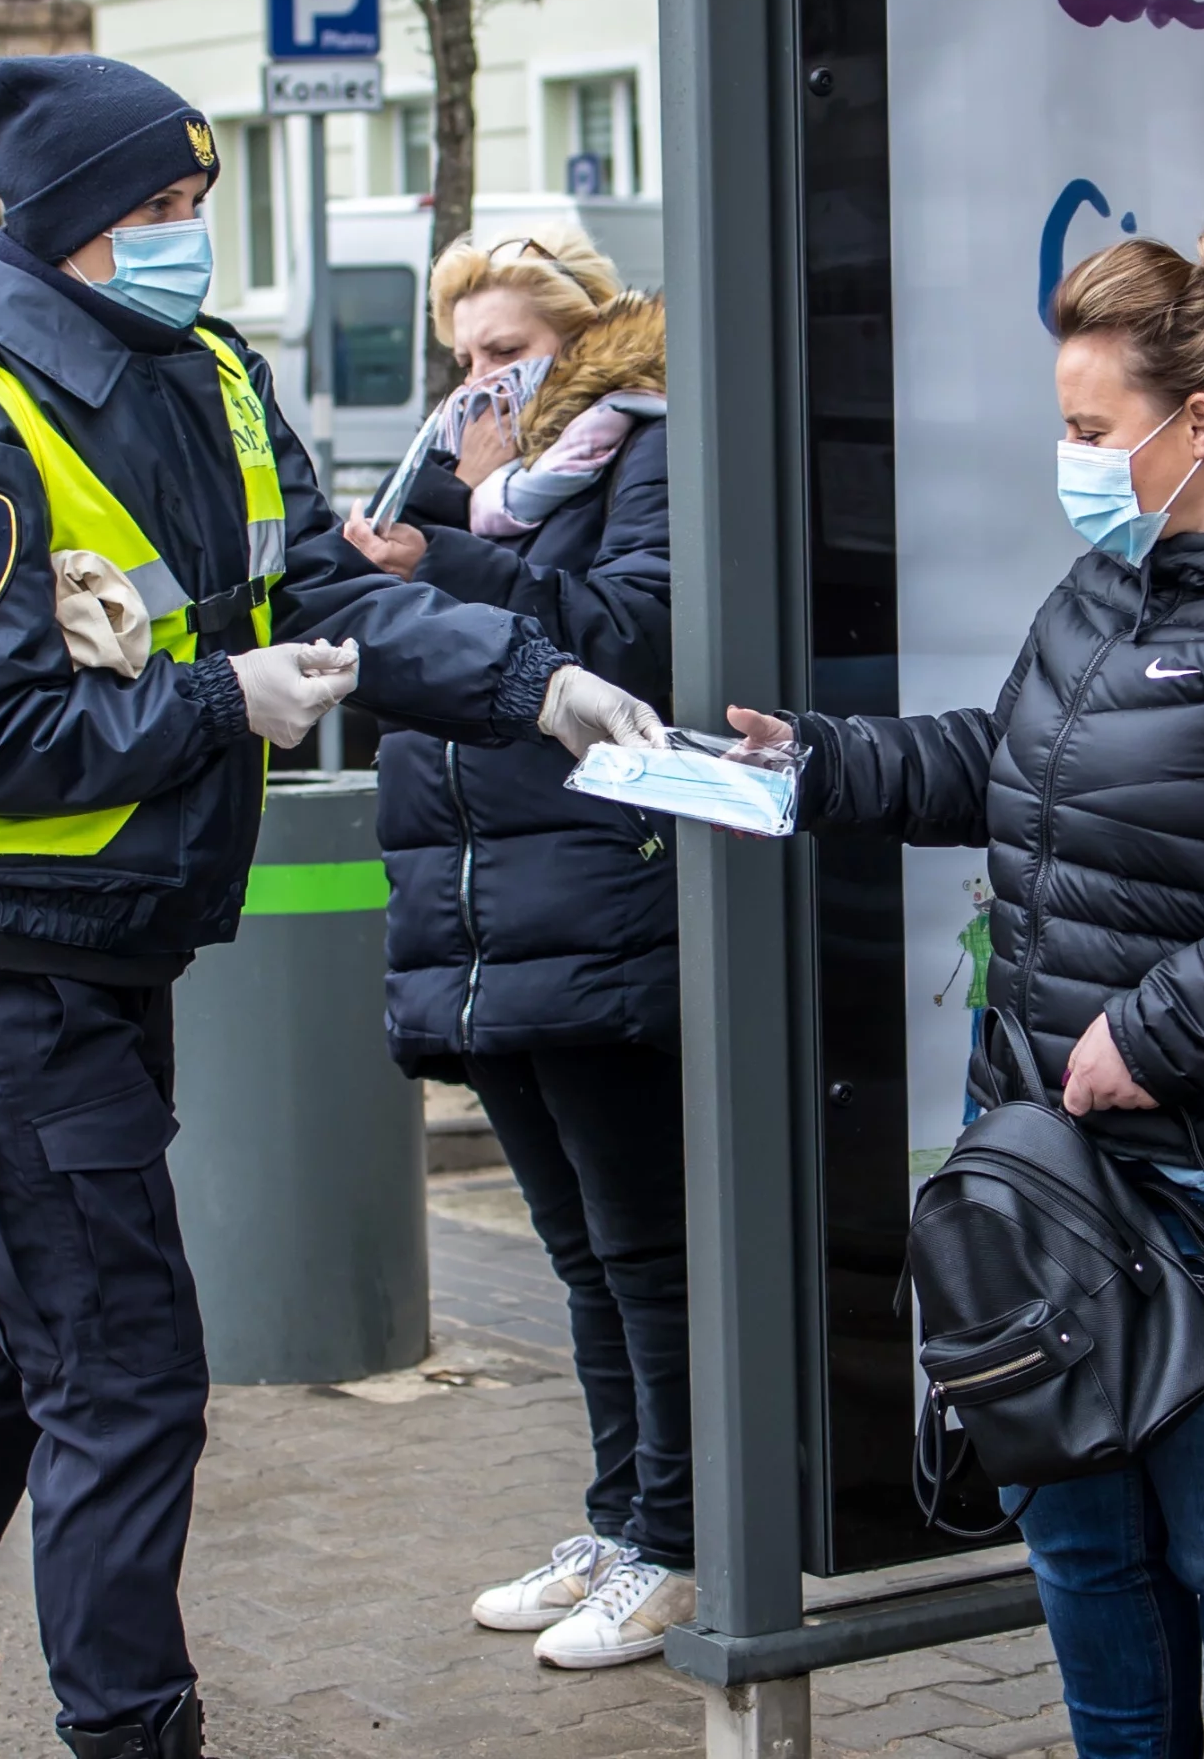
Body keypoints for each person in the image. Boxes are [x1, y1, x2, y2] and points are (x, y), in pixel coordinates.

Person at [0, 55, 662, 1759]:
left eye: (196, 209)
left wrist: (533, 680)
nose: (187, 243)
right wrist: (216, 705)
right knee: (124, 1374)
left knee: (14, 1327)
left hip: (111, 953)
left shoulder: (216, 380)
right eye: (157, 215)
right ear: (72, 228)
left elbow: (328, 587)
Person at [727, 200, 1204, 1759]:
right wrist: (820, 764)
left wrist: (1157, 1024)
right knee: (1080, 1542)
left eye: (1089, 424)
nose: (1068, 457)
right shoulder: (1113, 591)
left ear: (1198, 422)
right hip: (1071, 1170)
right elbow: (1018, 766)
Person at [339, 227, 691, 1669]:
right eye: (465, 354)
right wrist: (436, 534)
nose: (482, 378)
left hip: (595, 896)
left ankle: (679, 1537)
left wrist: (470, 545)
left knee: (646, 1246)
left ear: (580, 336)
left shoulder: (640, 447)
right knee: (575, 1251)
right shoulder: (453, 476)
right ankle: (618, 1517)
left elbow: (641, 629)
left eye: (509, 350)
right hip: (479, 909)